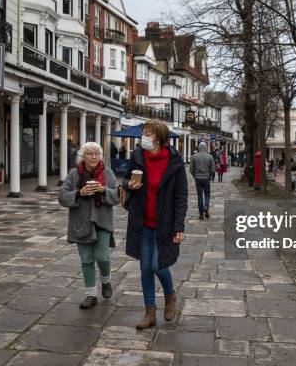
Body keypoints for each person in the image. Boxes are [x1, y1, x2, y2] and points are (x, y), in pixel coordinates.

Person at [123, 120, 187, 329]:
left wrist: (179, 226)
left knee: (157, 265)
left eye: (148, 133)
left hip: (165, 224)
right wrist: (129, 185)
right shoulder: (137, 156)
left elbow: (181, 196)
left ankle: (170, 295)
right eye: (143, 133)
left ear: (159, 137)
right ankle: (149, 313)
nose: (144, 137)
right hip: (142, 221)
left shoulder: (175, 161)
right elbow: (125, 180)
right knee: (144, 268)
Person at [58, 142, 120, 309]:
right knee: (86, 260)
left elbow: (117, 196)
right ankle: (91, 294)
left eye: (96, 154)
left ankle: (106, 281)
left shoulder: (107, 173)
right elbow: (62, 197)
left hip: (102, 221)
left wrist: (102, 190)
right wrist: (79, 193)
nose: (93, 157)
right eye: (89, 154)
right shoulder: (74, 174)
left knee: (103, 257)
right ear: (82, 157)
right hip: (81, 223)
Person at [190, 142, 215, 220]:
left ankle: (201, 215)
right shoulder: (210, 157)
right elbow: (213, 169)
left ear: (199, 148)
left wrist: (195, 176)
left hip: (198, 179)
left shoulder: (194, 157)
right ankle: (206, 206)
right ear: (206, 148)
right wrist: (209, 176)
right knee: (207, 194)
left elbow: (191, 169)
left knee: (199, 196)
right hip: (206, 178)